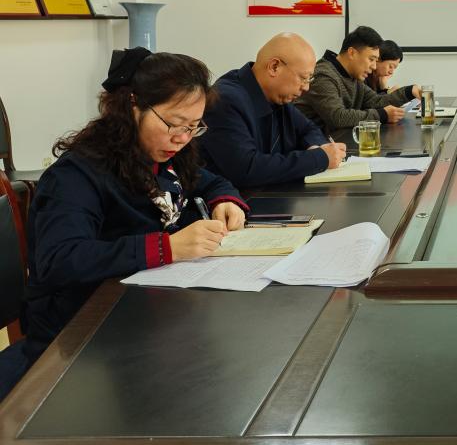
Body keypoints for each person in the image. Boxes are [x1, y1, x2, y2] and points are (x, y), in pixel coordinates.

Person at [0, 49, 249, 400]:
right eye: (174, 124)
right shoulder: (77, 175)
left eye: (194, 127)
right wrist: (167, 247)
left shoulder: (164, 156)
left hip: (148, 318)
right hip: (81, 340)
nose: (182, 138)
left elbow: (209, 181)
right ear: (133, 106)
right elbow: (62, 258)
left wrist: (225, 200)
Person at [200, 33, 346, 189]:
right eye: (303, 78)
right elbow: (247, 169)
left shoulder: (277, 96)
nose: (306, 87)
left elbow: (309, 129)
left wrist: (315, 148)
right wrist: (318, 158)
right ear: (274, 67)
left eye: (309, 79)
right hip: (237, 200)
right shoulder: (225, 100)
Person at [296, 26, 421, 139]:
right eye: (371, 59)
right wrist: (382, 115)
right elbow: (338, 117)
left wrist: (409, 91)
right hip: (313, 147)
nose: (374, 66)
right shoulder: (324, 75)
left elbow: (376, 101)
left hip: (337, 143)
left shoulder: (353, 77)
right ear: (352, 53)